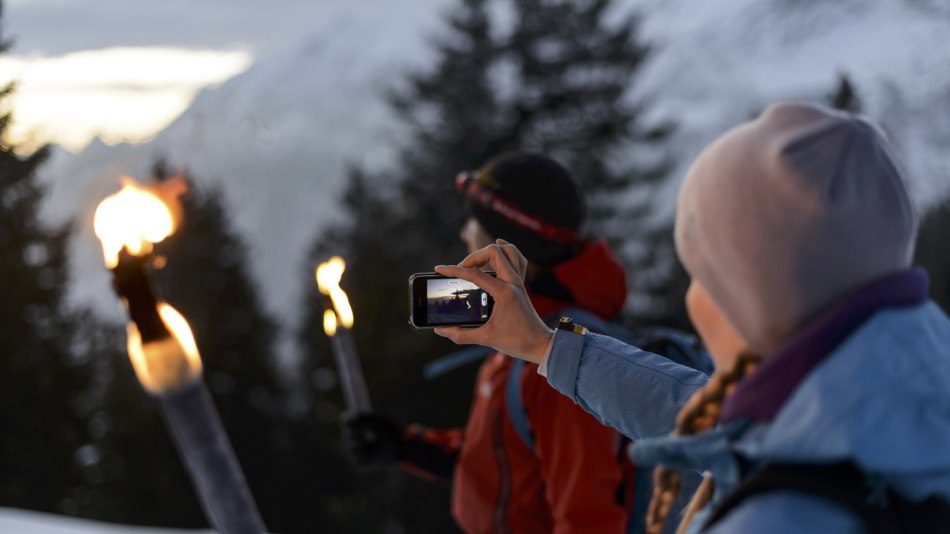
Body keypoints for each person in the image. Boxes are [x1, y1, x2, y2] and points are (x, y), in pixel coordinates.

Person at [434, 103, 950, 533]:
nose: (692, 300)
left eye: (701, 275)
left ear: (747, 297)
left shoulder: (779, 517)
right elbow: (689, 406)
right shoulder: (884, 402)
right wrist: (545, 347)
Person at [347, 152, 644, 533]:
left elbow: (588, 518)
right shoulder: (524, 336)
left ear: (506, 247)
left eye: (474, 222)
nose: (464, 233)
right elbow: (506, 460)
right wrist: (407, 446)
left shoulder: (561, 358)